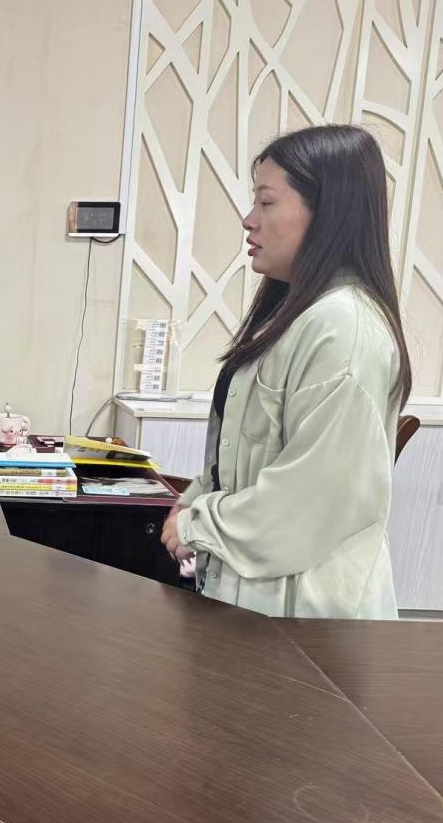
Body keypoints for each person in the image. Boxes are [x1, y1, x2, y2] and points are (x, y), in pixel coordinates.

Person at [160, 124, 411, 620]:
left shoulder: (344, 328)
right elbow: (241, 456)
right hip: (258, 598)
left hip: (304, 616)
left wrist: (198, 525)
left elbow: (312, 498)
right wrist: (192, 500)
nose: (249, 220)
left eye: (267, 202)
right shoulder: (297, 314)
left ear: (327, 213)